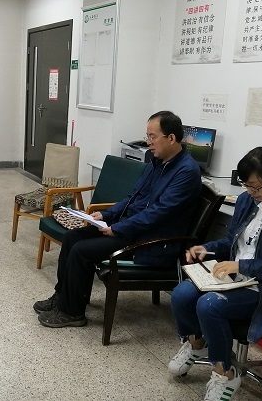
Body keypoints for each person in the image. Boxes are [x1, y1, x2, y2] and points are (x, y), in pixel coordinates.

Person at [168, 146, 262, 401]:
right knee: (181, 294)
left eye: (256, 186)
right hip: (235, 277)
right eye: (246, 185)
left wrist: (242, 267)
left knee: (209, 305)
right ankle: (196, 345)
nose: (250, 192)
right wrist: (207, 248)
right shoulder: (247, 201)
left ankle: (225, 373)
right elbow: (233, 241)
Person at [34, 111, 202, 328]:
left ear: (171, 138)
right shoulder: (157, 163)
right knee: (72, 237)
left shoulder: (186, 172)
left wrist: (119, 228)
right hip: (133, 228)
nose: (148, 142)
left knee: (81, 251)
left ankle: (72, 312)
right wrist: (107, 215)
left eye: (153, 137)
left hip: (151, 240)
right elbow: (133, 197)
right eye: (147, 136)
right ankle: (62, 296)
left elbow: (158, 213)